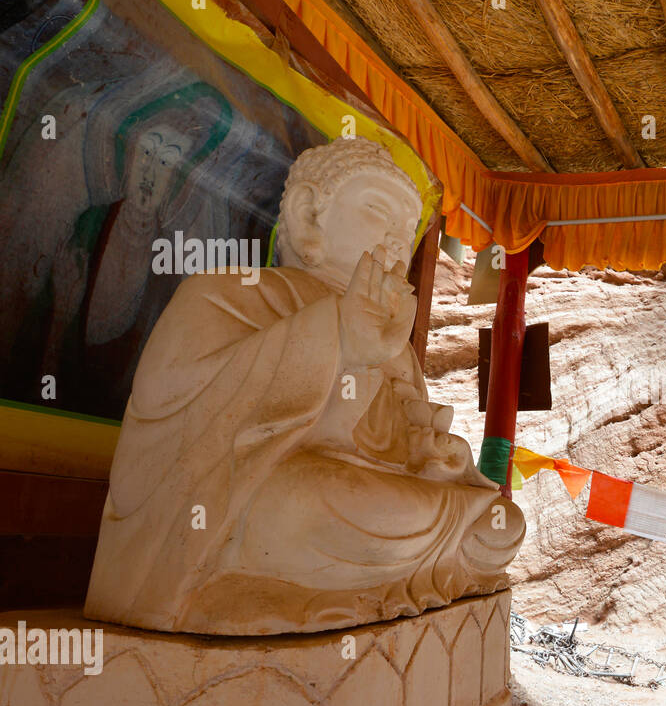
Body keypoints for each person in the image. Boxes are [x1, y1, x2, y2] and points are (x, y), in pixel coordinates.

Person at [84, 137, 526, 635]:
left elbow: (404, 447)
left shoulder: (400, 346)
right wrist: (337, 340)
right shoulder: (230, 293)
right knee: (309, 500)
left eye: (409, 231)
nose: (400, 240)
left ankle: (370, 571)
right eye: (380, 212)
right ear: (308, 215)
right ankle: (257, 584)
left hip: (377, 500)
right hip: (280, 502)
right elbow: (183, 415)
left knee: (499, 521)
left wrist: (437, 453)